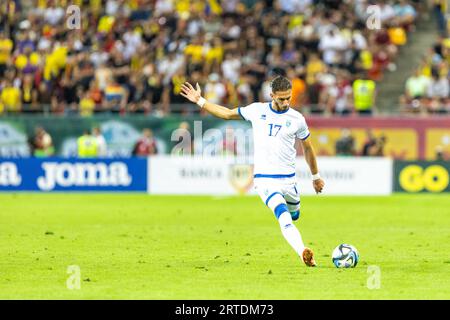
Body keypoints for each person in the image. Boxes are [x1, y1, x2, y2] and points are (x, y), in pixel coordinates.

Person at [180, 76, 325, 267]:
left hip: (289, 181)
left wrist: (316, 177)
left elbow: (308, 148)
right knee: (282, 215)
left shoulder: (297, 118)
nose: (286, 102)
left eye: (288, 98)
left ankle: (295, 227)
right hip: (265, 180)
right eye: (281, 99)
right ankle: (302, 251)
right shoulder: (257, 110)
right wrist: (200, 100)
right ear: (271, 95)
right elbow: (226, 113)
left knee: (294, 215)